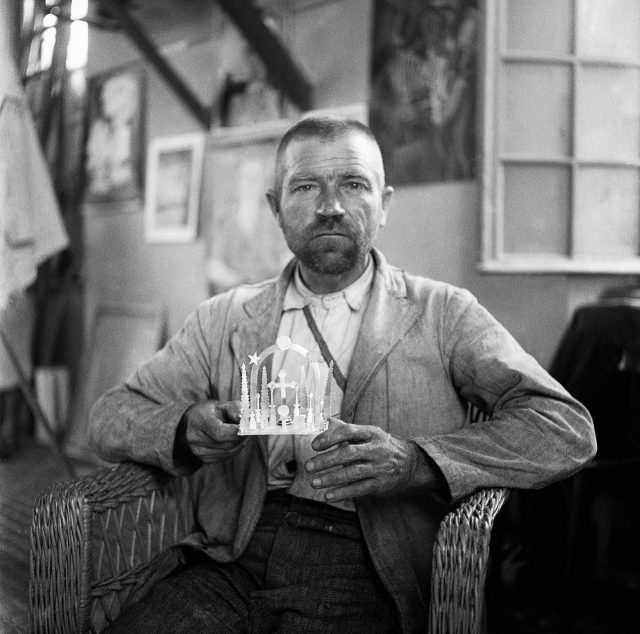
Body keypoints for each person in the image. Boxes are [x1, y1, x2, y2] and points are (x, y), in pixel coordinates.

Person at [89, 115, 596, 633]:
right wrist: (183, 427)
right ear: (275, 208)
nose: (330, 206)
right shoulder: (223, 318)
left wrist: (418, 461)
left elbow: (566, 428)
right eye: (306, 187)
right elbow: (109, 417)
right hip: (232, 555)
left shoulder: (443, 312)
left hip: (371, 566)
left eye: (353, 184)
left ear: (385, 204)